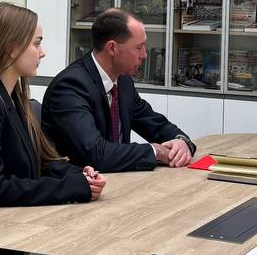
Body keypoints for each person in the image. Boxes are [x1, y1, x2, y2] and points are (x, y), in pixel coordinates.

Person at [0, 2, 107, 209]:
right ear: (11, 48)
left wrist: (79, 175)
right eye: (36, 43)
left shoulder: (13, 97)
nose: (42, 52)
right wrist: (71, 187)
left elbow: (39, 163)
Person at [43, 9, 195, 172]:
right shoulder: (70, 86)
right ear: (112, 48)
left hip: (119, 180)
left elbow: (153, 123)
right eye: (139, 47)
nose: (144, 55)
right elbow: (96, 154)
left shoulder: (123, 80)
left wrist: (180, 141)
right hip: (80, 184)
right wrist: (154, 151)